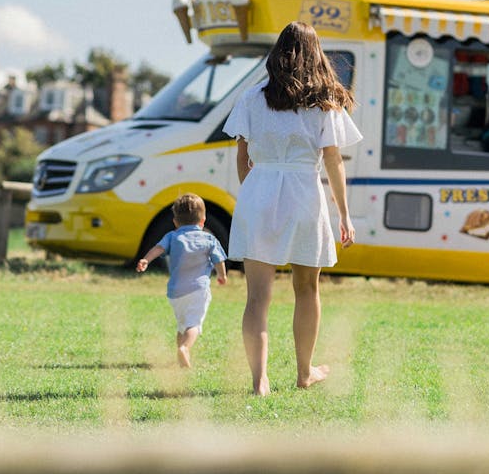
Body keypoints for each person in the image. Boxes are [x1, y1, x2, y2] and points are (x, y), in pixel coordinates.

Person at [222, 21, 362, 396]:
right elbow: (333, 160)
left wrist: (253, 193)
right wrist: (344, 214)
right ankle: (304, 373)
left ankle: (259, 381)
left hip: (259, 190)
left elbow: (242, 155)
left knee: (256, 297)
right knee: (307, 289)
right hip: (303, 192)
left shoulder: (253, 97)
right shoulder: (325, 101)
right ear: (316, 55)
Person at [135, 193, 228, 368]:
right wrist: (222, 276)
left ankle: (180, 353)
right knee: (194, 324)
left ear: (175, 221)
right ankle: (185, 348)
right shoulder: (209, 239)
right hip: (198, 290)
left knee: (181, 325)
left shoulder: (172, 236)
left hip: (175, 293)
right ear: (203, 220)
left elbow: (158, 248)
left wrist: (146, 260)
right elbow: (218, 260)